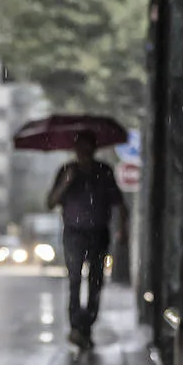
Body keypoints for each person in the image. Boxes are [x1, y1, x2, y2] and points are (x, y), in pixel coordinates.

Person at [46, 131, 129, 350]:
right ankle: (76, 327)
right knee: (74, 280)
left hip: (98, 233)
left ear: (94, 149)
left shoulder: (104, 172)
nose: (83, 152)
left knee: (96, 282)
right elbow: (50, 202)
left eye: (87, 147)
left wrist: (123, 230)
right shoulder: (66, 170)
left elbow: (120, 204)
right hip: (73, 233)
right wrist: (66, 182)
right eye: (80, 147)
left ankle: (86, 327)